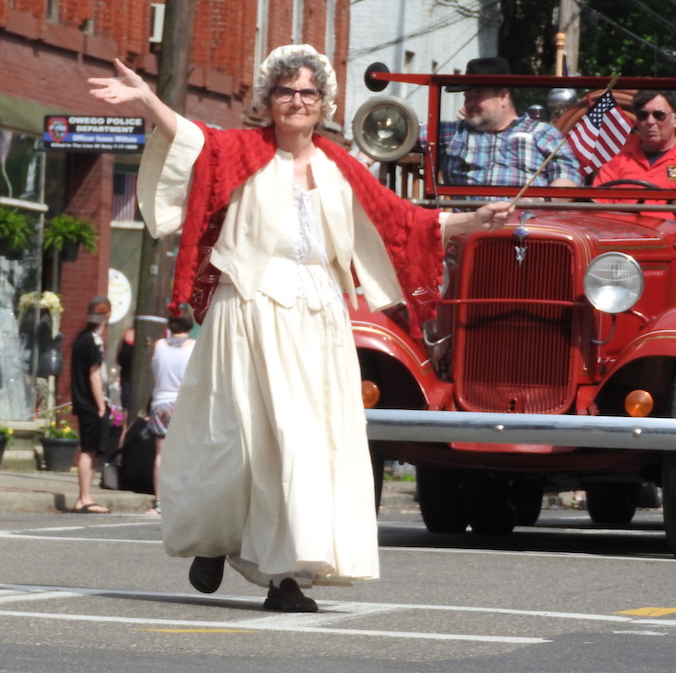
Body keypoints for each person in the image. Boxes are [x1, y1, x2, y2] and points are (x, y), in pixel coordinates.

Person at [89, 44, 509, 612]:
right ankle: (216, 537)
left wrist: (473, 221)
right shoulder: (239, 151)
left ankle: (285, 576)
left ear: (324, 104)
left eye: (308, 92)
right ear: (268, 99)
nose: (297, 101)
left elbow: (401, 221)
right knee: (241, 439)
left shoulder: (341, 166)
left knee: (306, 445)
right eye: (286, 91)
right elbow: (192, 141)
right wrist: (147, 101)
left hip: (318, 315)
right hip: (250, 308)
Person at [436, 57, 580, 188]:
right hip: (468, 217)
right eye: (467, 97)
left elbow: (568, 175)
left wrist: (543, 201)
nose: (470, 104)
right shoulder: (452, 133)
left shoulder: (543, 134)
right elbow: (413, 129)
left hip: (525, 216)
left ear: (503, 96)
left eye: (477, 97)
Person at [146, 304, 196, 516]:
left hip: (159, 403)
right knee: (186, 452)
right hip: (183, 403)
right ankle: (183, 497)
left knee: (160, 454)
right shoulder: (195, 346)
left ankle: (159, 500)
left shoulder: (158, 345)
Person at [594, 90, 676, 214]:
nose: (650, 121)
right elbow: (597, 205)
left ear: (674, 119)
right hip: (622, 230)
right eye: (643, 115)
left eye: (659, 115)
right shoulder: (618, 159)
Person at [69, 295, 112, 513]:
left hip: (81, 400)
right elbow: (94, 375)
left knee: (90, 449)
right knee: (89, 450)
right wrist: (101, 406)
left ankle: (85, 497)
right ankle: (84, 498)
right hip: (92, 403)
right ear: (108, 315)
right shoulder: (94, 340)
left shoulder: (80, 339)